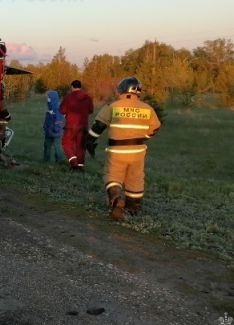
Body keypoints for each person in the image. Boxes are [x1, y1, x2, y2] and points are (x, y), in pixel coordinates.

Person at [85, 77, 161, 221]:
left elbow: (98, 126)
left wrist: (89, 140)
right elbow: (155, 128)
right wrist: (142, 136)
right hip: (138, 151)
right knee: (136, 178)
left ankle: (117, 197)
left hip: (117, 151)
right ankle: (132, 207)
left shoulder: (113, 106)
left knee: (112, 176)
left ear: (122, 89)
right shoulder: (147, 108)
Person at [60, 79, 94, 171]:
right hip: (83, 125)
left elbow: (62, 110)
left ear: (72, 87)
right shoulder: (87, 97)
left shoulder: (68, 97)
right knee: (81, 146)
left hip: (70, 126)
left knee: (66, 144)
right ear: (81, 87)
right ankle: (80, 165)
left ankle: (74, 163)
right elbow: (91, 110)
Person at [42, 91, 65, 163]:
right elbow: (48, 119)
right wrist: (45, 127)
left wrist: (56, 129)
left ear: (53, 98)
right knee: (46, 145)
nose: (47, 99)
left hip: (56, 132)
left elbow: (59, 120)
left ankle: (60, 160)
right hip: (49, 131)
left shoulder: (58, 108)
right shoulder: (50, 106)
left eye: (49, 97)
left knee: (57, 147)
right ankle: (46, 160)